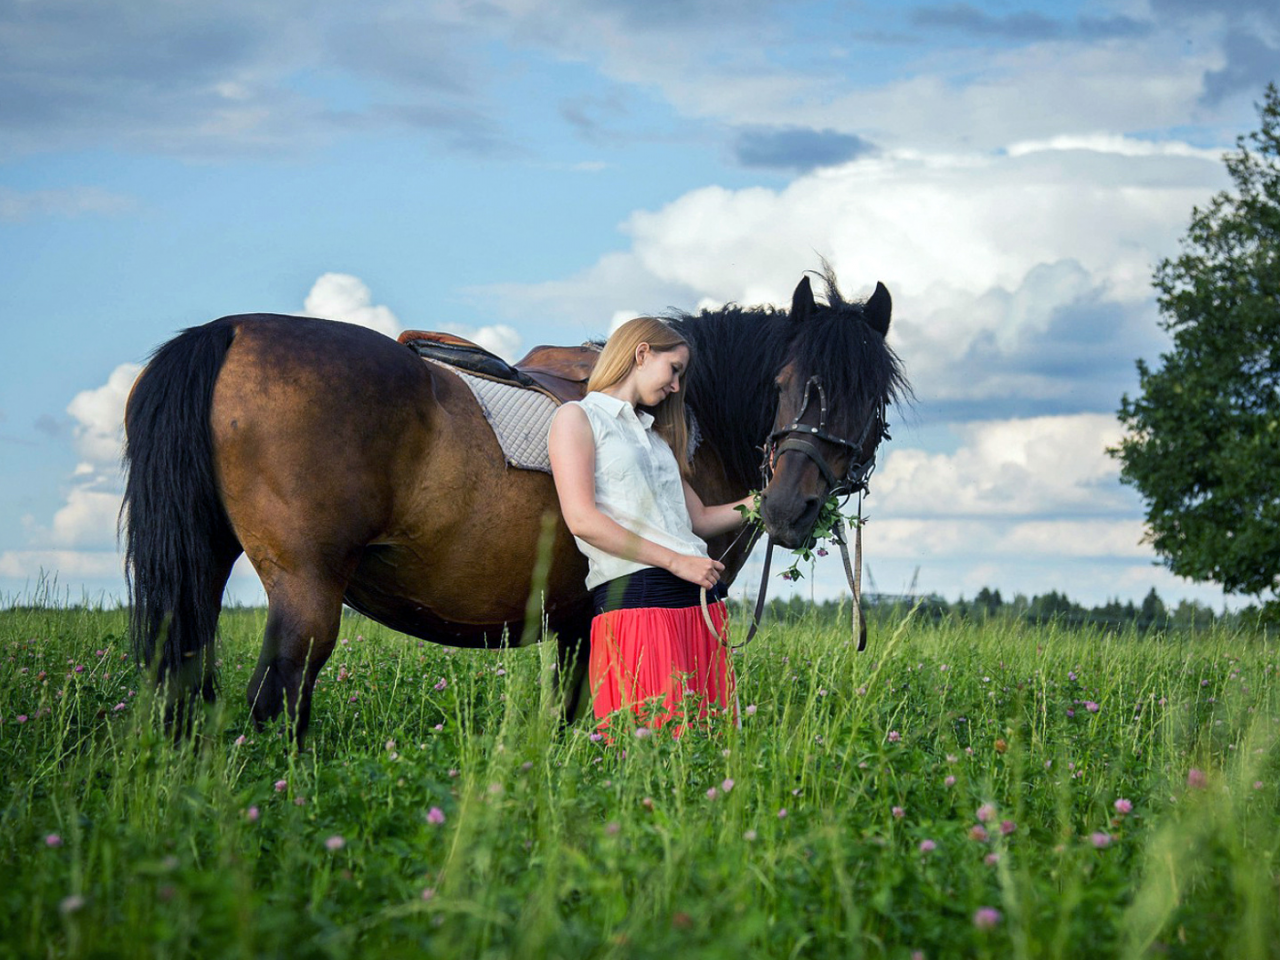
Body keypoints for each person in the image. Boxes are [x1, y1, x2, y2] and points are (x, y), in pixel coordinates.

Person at [548, 317, 754, 739]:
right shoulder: (577, 418)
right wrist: (676, 561)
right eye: (674, 369)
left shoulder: (657, 439)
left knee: (709, 745)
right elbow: (582, 519)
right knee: (647, 747)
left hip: (699, 603)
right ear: (642, 353)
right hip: (640, 602)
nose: (677, 386)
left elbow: (698, 519)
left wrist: (765, 503)